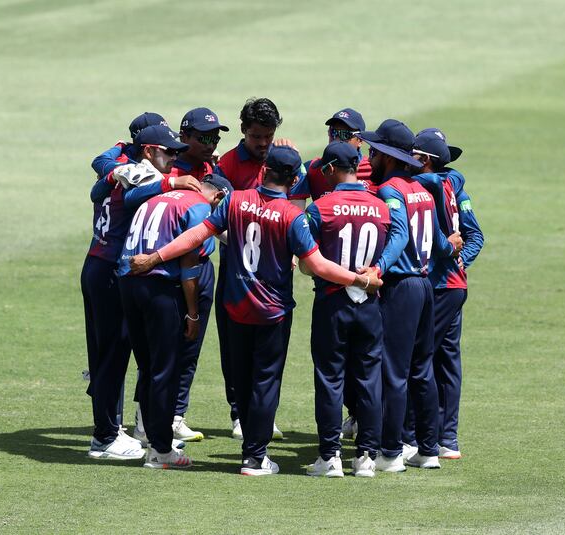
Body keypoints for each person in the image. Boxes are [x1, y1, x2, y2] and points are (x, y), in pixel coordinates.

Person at [128, 146, 382, 476]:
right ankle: (255, 457)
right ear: (293, 180)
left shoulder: (234, 201)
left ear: (265, 173)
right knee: (265, 382)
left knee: (243, 381)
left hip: (235, 306)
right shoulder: (294, 217)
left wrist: (155, 257)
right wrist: (360, 280)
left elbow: (196, 235)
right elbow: (317, 265)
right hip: (272, 312)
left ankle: (250, 449)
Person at [117, 136, 233, 470]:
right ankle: (161, 450)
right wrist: (193, 313)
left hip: (128, 284)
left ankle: (151, 439)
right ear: (220, 196)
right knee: (166, 370)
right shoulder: (198, 207)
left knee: (149, 367)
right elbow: (187, 267)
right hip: (159, 289)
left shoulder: (159, 197)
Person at [359, 119, 463, 472]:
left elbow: (401, 234)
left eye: (374, 151)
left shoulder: (391, 189)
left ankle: (391, 452)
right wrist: (453, 251)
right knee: (422, 371)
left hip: (402, 286)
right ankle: (429, 450)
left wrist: (379, 268)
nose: (370, 155)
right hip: (424, 286)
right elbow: (437, 241)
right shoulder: (421, 190)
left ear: (387, 156)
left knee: (394, 371)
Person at [83, 113, 170, 460]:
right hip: (109, 269)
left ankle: (111, 429)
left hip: (96, 264)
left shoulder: (119, 165)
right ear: (146, 148)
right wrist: (172, 185)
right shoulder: (138, 174)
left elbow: (97, 182)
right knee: (111, 355)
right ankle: (104, 436)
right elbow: (134, 198)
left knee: (110, 352)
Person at [302, 142, 390, 478]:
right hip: (369, 302)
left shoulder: (321, 208)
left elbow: (309, 265)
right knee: (368, 379)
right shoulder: (381, 207)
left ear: (332, 169)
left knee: (329, 380)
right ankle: (366, 456)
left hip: (332, 302)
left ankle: (330, 456)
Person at [212, 97, 285, 440]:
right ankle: (239, 411)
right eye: (258, 137)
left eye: (269, 137)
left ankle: (262, 411)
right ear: (243, 131)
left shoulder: (280, 160)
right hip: (235, 267)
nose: (263, 144)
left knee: (269, 345)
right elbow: (219, 223)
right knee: (233, 344)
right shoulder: (226, 165)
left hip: (272, 269)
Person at [412, 128, 484, 460]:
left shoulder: (433, 184)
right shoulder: (454, 183)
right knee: (446, 361)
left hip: (440, 285)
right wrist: (461, 264)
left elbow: (474, 237)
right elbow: (475, 237)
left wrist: (458, 261)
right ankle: (447, 438)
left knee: (421, 357)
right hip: (452, 285)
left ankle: (416, 436)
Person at [167, 107, 230, 443]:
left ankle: (175, 415)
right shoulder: (173, 169)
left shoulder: (208, 167)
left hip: (203, 264)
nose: (210, 143)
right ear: (185, 137)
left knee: (190, 348)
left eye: (215, 137)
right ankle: (152, 417)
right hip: (174, 266)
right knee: (167, 348)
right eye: (203, 137)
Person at [288, 108, 375, 206]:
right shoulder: (312, 168)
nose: (337, 139)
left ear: (360, 140)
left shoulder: (374, 170)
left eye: (345, 135)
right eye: (333, 132)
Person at [170, 107, 229, 180]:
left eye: (215, 140)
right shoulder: (167, 172)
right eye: (204, 139)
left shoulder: (212, 167)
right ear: (183, 137)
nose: (210, 146)